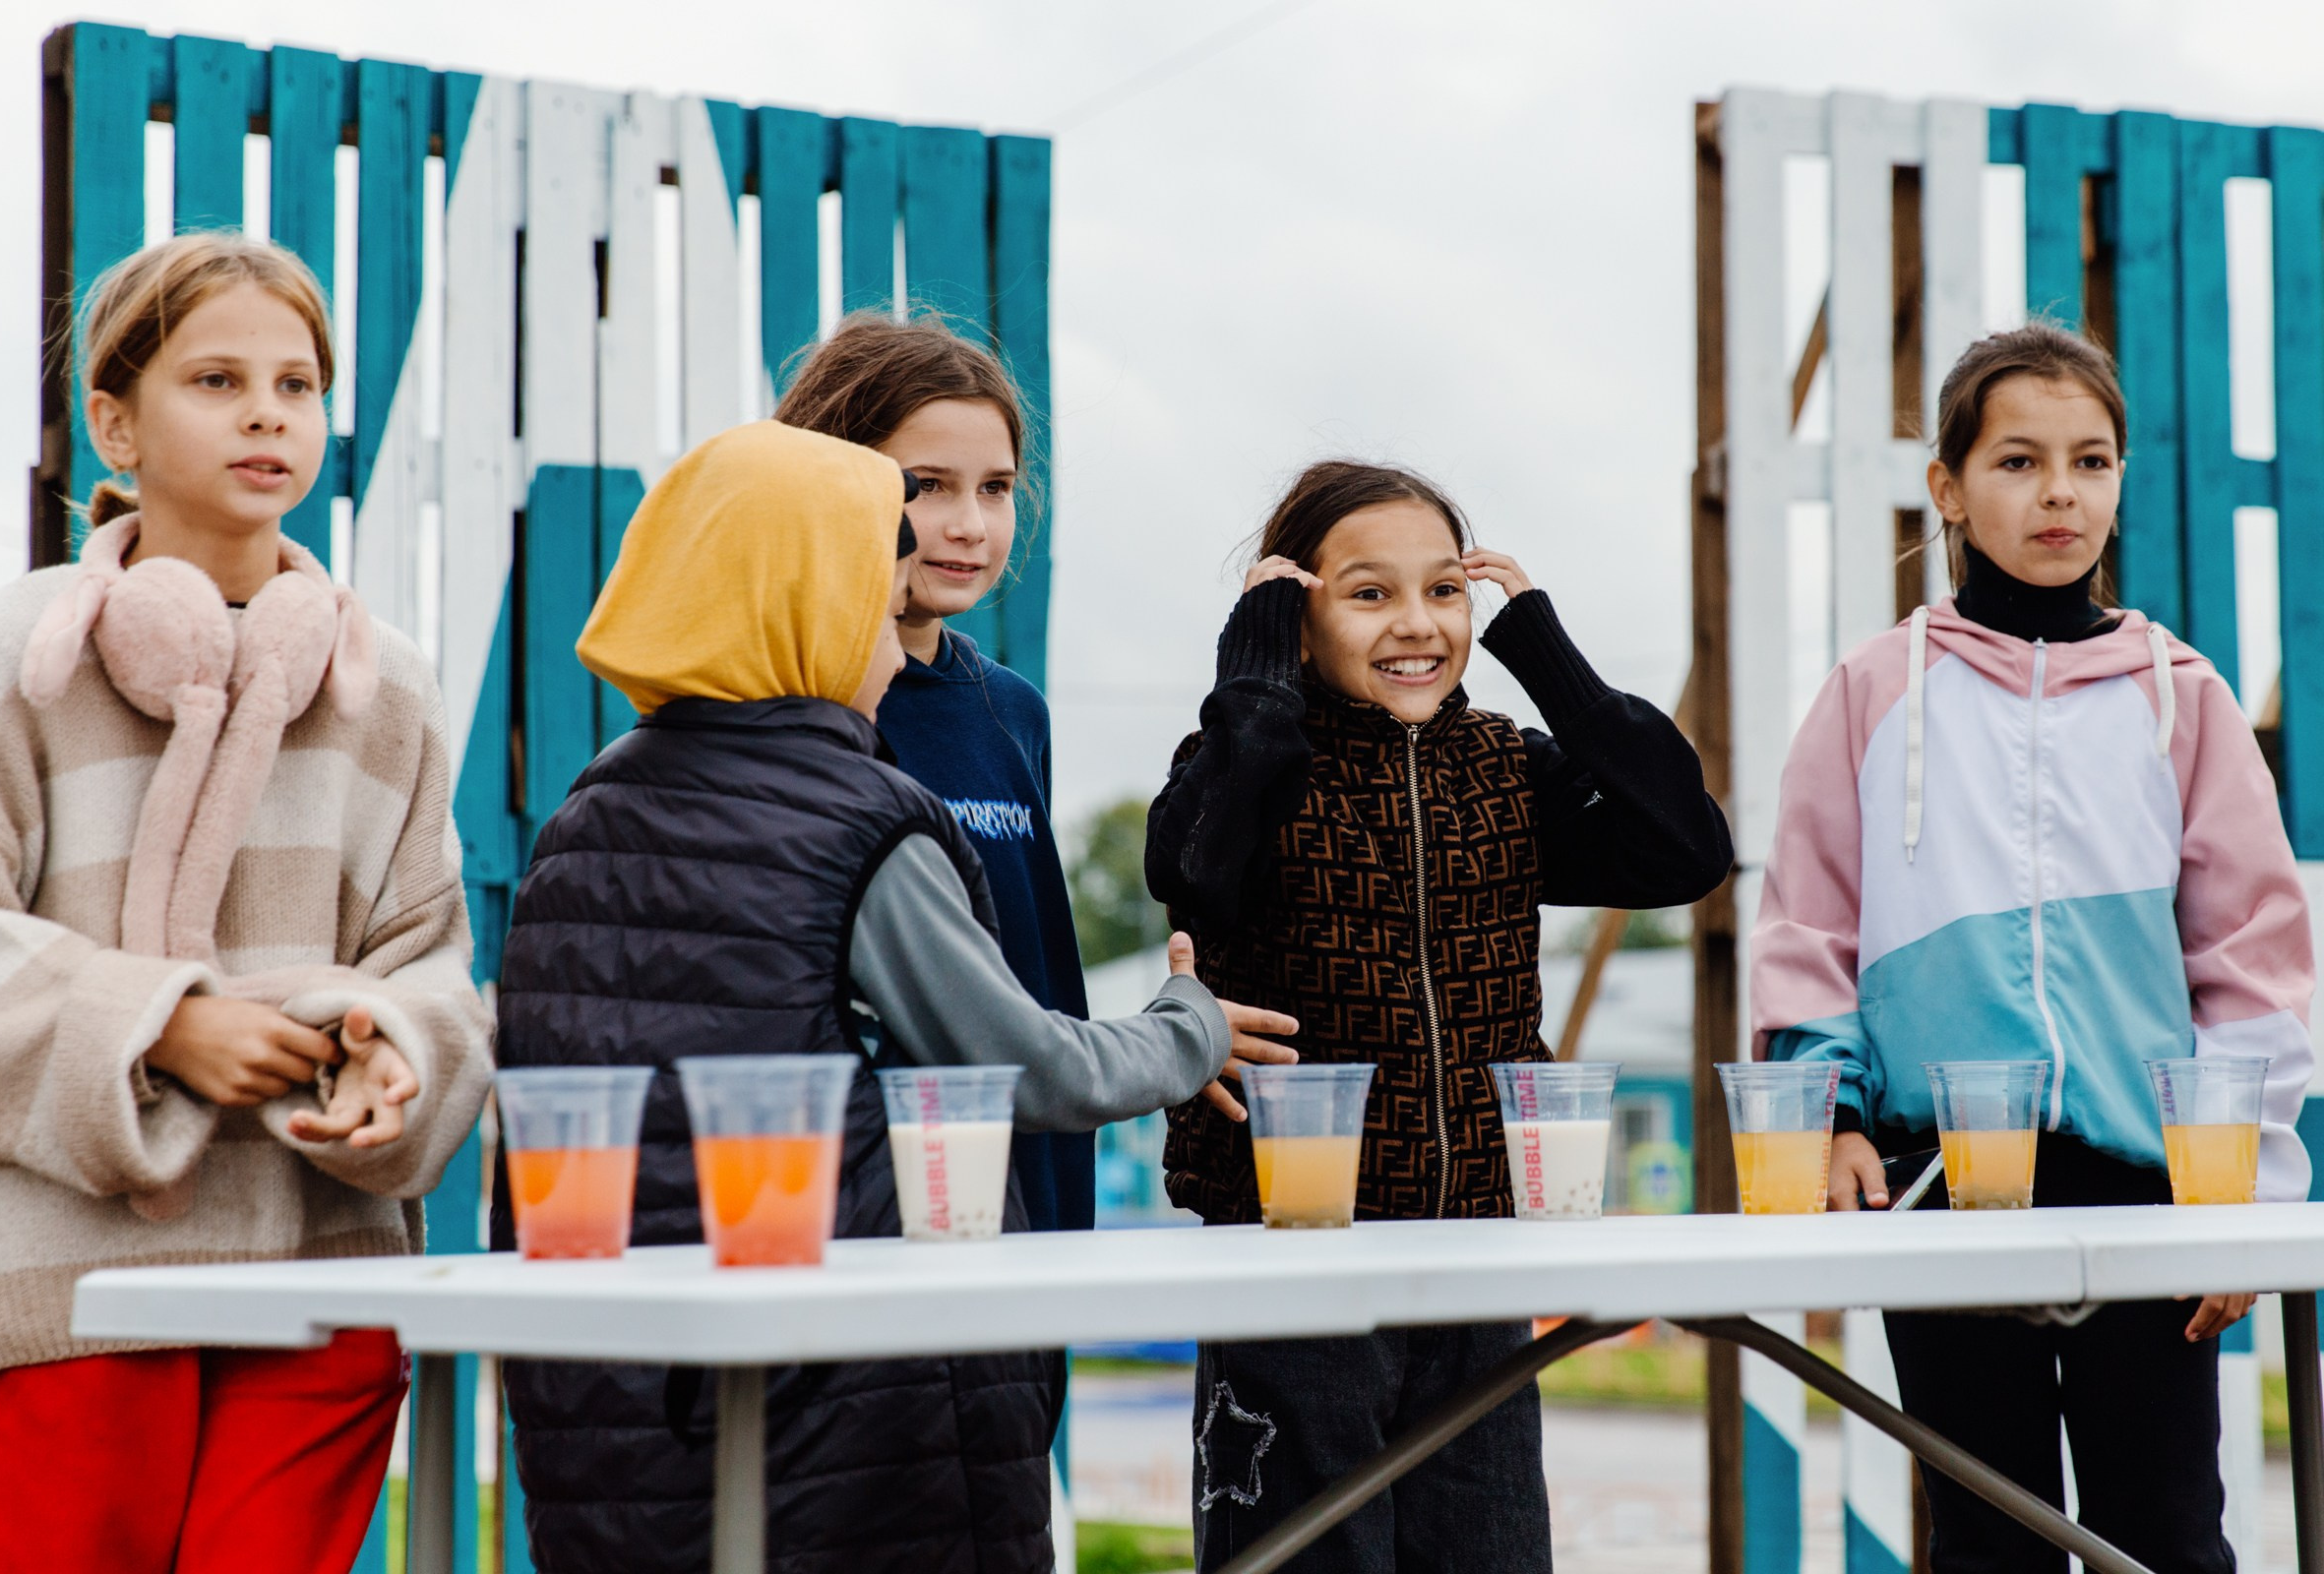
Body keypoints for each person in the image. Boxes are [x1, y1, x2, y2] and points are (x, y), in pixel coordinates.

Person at [492, 418, 1298, 1574]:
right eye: (875, 614)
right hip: (854, 1407)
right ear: (804, 615)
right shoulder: (855, 821)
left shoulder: (586, 816)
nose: (893, 653)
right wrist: (1190, 1025)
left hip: (619, 1398)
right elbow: (1034, 1067)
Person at [0, 231, 494, 1574]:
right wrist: (162, 1026)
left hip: (322, 1284)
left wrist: (396, 1055)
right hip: (65, 1296)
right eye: (216, 380)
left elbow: (431, 960)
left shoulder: (389, 686)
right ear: (114, 425)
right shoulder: (7, 656)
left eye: (297, 385)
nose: (268, 413)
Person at [1751, 321, 2311, 1572]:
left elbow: (2253, 958)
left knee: (2166, 1537)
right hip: (1939, 1185)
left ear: (2117, 480)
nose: (2060, 491)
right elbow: (1809, 923)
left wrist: (2244, 1193)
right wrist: (1833, 1113)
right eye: (2017, 460)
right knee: (1990, 1544)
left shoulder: (2183, 695)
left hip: (2153, 1194)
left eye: (2089, 460)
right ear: (1947, 488)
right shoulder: (1873, 690)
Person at [1146, 459, 1732, 1572]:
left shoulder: (1506, 767)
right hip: (1291, 1260)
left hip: (1479, 1254)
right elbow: (1193, 866)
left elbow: (1685, 848)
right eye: (1369, 593)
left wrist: (1549, 658)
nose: (1417, 623)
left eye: (1445, 591)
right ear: (1294, 616)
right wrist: (1258, 673)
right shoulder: (1248, 764)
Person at [773, 313, 1097, 1230]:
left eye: (996, 489)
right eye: (927, 487)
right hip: (880, 1201)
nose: (970, 525)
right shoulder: (795, 702)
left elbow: (1035, 969)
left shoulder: (1013, 711)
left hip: (1036, 1167)